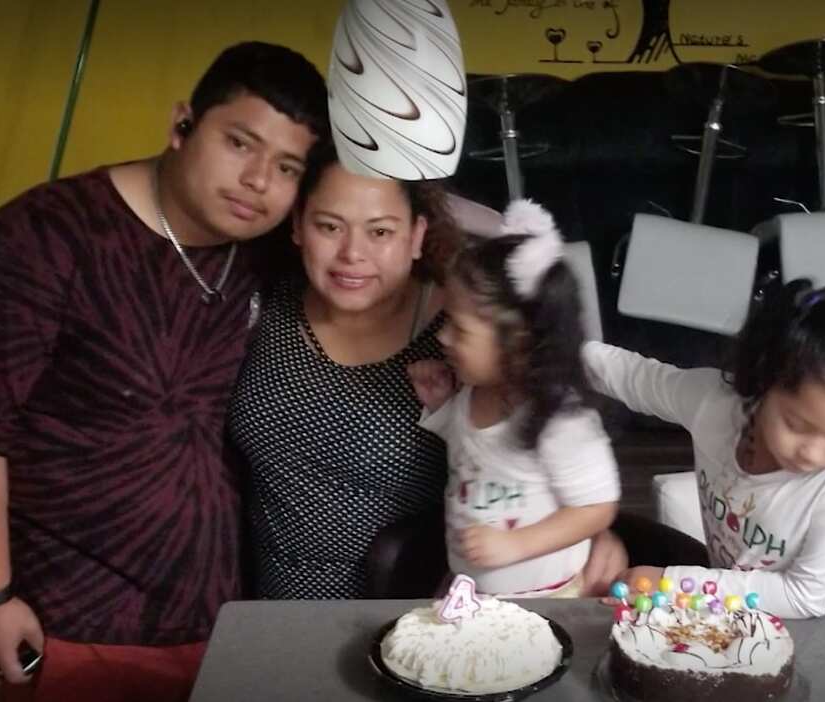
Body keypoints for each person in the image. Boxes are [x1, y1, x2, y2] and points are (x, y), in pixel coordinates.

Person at [0, 42, 329, 701]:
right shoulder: (43, 237)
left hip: (230, 616)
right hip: (76, 620)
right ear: (182, 125)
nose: (258, 181)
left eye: (287, 167)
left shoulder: (264, 257)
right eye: (239, 144)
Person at [227, 157, 629, 600]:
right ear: (298, 225)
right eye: (329, 226)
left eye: (380, 231)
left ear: (417, 235)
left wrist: (588, 534)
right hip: (270, 595)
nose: (353, 253)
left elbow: (564, 468)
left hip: (412, 596)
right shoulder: (255, 307)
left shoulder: (472, 328)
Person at [590, 279, 825, 622]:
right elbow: (635, 377)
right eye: (797, 425)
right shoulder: (715, 403)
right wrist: (554, 346)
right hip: (750, 595)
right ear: (761, 384)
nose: (813, 453)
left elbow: (803, 596)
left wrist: (672, 583)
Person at [408, 199, 619, 597]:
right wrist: (440, 407)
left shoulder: (563, 422)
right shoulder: (472, 393)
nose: (442, 337)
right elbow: (472, 454)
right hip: (471, 591)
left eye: (459, 328)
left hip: (547, 602)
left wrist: (515, 545)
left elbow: (597, 508)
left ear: (519, 343)